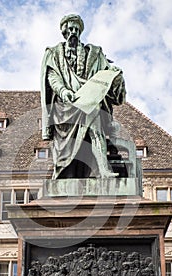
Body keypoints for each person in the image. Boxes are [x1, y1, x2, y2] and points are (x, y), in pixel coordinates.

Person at [41, 14, 126, 179]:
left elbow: (106, 70)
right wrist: (63, 91)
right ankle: (77, 172)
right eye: (70, 29)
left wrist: (115, 74)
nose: (73, 32)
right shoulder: (54, 53)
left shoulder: (94, 53)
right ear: (64, 32)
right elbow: (53, 77)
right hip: (65, 105)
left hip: (88, 100)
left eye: (76, 29)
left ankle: (103, 170)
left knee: (96, 127)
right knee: (91, 126)